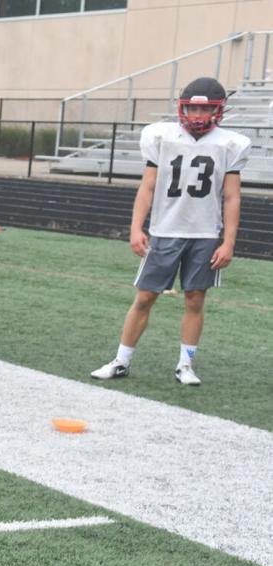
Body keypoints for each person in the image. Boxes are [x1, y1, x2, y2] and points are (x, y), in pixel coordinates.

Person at [90, 77, 249, 387]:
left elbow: (232, 197)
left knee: (195, 299)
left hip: (205, 233)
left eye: (205, 110)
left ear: (218, 110)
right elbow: (148, 186)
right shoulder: (161, 136)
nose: (198, 115)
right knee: (145, 297)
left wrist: (228, 242)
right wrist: (136, 228)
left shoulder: (231, 143)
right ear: (182, 107)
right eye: (192, 108)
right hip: (165, 229)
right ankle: (121, 360)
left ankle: (185, 365)